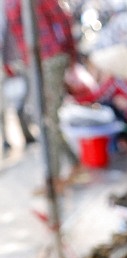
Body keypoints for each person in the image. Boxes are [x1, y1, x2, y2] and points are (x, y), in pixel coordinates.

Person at [4, 0, 77, 178]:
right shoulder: (8, 3)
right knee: (42, 117)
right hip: (32, 63)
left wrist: (71, 55)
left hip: (51, 58)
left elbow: (63, 19)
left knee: (49, 118)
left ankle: (54, 177)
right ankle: (72, 166)